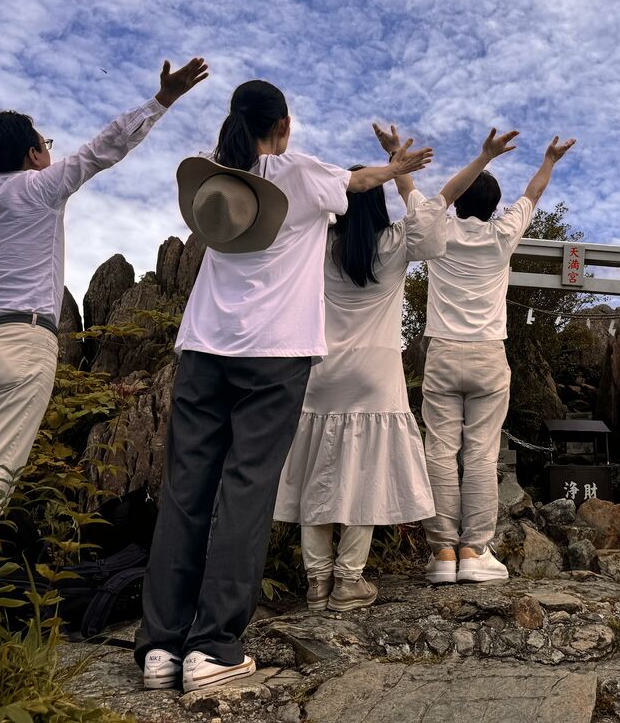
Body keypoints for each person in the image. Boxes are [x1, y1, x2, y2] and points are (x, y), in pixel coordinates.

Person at [135, 80, 431, 694]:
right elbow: (357, 183)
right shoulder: (297, 172)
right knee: (246, 489)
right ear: (284, 125)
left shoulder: (218, 176)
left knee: (185, 489)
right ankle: (213, 647)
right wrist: (397, 168)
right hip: (275, 354)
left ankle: (160, 645)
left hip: (203, 347)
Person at [0, 57, 210, 594]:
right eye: (44, 143)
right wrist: (164, 99)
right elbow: (106, 147)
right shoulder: (41, 188)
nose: (50, 150)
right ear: (31, 154)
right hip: (20, 345)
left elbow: (32, 164)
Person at [274, 124, 521, 613]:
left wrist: (389, 164)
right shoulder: (395, 243)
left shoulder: (318, 245)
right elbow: (440, 203)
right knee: (363, 474)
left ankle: (317, 583)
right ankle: (349, 581)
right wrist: (479, 159)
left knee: (319, 472)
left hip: (321, 373)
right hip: (376, 377)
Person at [421, 134, 576, 585]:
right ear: (493, 207)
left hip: (442, 351)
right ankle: (474, 551)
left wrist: (397, 161)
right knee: (482, 453)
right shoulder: (503, 234)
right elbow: (534, 193)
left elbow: (412, 191)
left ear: (457, 200)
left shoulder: (438, 229)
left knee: (439, 451)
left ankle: (443, 553)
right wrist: (549, 160)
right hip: (488, 353)